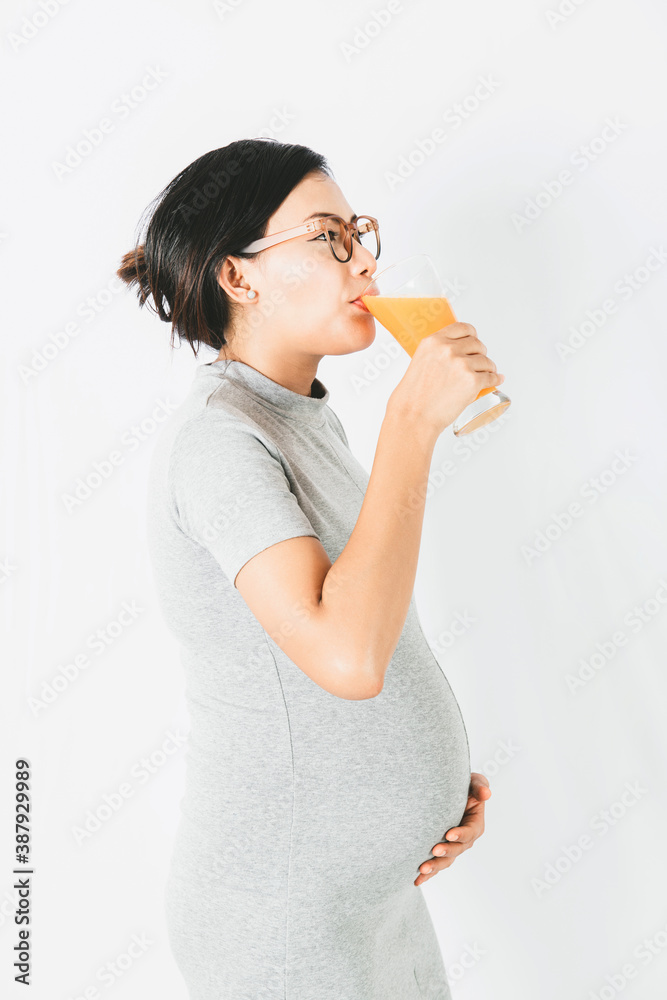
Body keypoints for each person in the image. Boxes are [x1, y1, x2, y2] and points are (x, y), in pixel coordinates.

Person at [117, 137, 499, 1000]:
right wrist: (411, 422)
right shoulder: (219, 439)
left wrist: (429, 790)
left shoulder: (300, 416)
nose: (365, 261)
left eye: (359, 232)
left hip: (371, 906)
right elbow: (347, 657)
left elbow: (361, 622)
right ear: (238, 277)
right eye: (330, 237)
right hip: (282, 921)